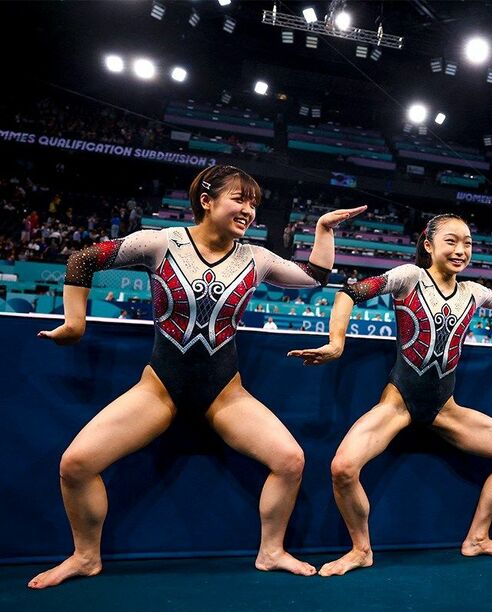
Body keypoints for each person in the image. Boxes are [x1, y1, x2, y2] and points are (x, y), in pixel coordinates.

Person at [28, 164, 365, 589]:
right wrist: (75, 325)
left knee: (290, 460)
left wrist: (323, 229)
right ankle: (85, 556)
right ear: (206, 201)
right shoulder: (160, 243)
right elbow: (83, 260)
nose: (249, 210)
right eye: (239, 199)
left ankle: (272, 551)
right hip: (160, 389)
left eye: (254, 204)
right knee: (76, 465)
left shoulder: (256, 259)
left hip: (225, 393)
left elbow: (315, 278)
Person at [288, 213, 492, 576]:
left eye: (468, 243)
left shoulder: (473, 292)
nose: (461, 249)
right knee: (343, 468)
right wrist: (337, 343)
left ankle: (477, 538)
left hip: (444, 407)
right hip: (398, 402)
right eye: (451, 241)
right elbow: (348, 293)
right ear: (428, 245)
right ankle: (361, 549)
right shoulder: (410, 277)